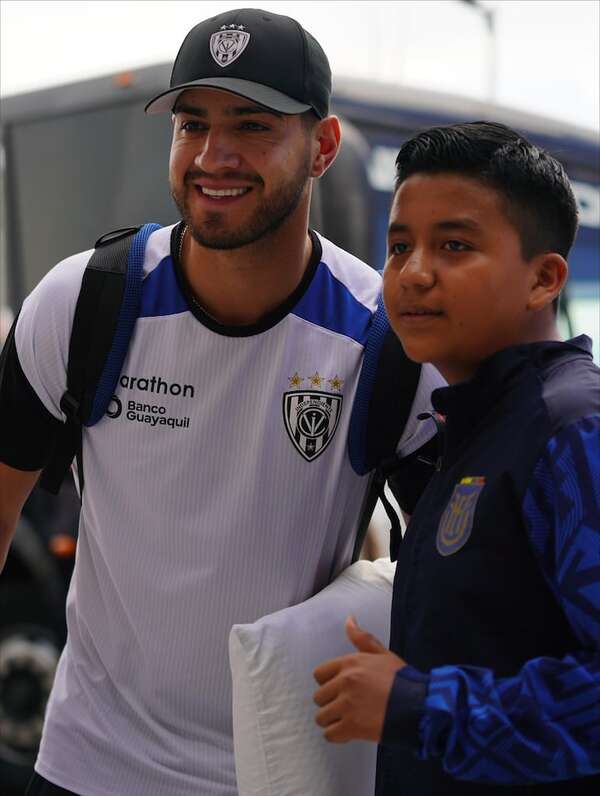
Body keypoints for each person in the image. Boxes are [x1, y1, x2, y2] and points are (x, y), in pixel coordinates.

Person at [0, 9, 442, 795]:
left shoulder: (387, 340)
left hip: (281, 776)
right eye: (192, 122)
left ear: (324, 148)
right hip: (84, 768)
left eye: (252, 124)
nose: (214, 155)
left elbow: (454, 579)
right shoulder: (85, 301)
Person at [313, 121, 600, 793]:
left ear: (545, 278)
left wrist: (420, 704)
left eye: (454, 245)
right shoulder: (477, 421)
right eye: (398, 246)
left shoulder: (572, 429)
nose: (413, 273)